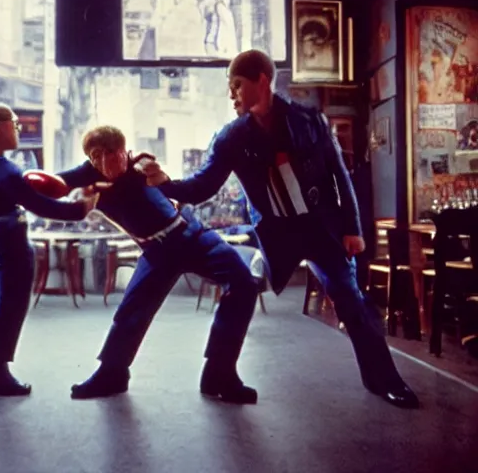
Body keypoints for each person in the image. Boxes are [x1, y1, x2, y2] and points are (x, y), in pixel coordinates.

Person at [141, 49, 420, 409]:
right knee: (241, 288)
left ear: (262, 81)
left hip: (322, 229)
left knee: (352, 300)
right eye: (229, 87)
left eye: (237, 85)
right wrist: (166, 183)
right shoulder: (231, 137)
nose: (232, 95)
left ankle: (385, 380)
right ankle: (217, 374)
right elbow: (202, 186)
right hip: (276, 234)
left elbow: (339, 176)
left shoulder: (310, 121)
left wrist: (353, 228)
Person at [57, 125, 260, 402]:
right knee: (132, 311)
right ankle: (112, 374)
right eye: (95, 156)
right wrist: (12, 189)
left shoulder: (140, 163)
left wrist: (158, 175)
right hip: (157, 250)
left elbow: (165, 180)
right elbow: (46, 185)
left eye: (111, 154)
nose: (104, 163)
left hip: (190, 233)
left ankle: (220, 373)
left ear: (123, 152)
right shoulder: (87, 175)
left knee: (244, 285)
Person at [0, 102, 96, 396]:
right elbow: (37, 200)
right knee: (12, 302)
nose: (18, 129)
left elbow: (37, 185)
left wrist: (82, 175)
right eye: (14, 123)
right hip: (8, 236)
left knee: (12, 302)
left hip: (5, 234)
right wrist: (80, 209)